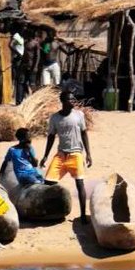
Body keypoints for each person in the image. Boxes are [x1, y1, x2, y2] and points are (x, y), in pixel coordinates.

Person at [40, 90, 93, 222]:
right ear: (63, 102)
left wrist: (88, 154)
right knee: (48, 183)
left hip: (76, 154)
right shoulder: (55, 118)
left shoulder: (79, 115)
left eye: (74, 99)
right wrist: (46, 156)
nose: (73, 101)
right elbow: (51, 136)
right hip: (61, 155)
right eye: (70, 99)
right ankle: (49, 211)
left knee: (80, 184)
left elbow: (84, 134)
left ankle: (82, 215)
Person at [10, 29, 27, 104]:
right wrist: (18, 53)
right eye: (23, 27)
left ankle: (20, 99)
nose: (25, 28)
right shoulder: (17, 35)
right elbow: (10, 45)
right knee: (19, 80)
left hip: (22, 60)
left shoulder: (22, 38)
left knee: (22, 80)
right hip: (17, 60)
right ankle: (18, 100)